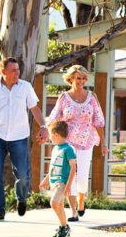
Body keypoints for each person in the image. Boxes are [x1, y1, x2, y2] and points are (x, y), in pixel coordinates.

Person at [0, 56, 48, 222]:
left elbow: (34, 109)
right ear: (3, 72)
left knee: (22, 174)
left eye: (18, 70)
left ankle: (21, 198)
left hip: (19, 136)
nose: (17, 73)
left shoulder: (25, 87)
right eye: (13, 70)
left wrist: (43, 127)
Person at [46, 65, 107, 221]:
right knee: (69, 176)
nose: (81, 81)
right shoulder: (64, 98)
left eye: (83, 78)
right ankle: (73, 211)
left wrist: (103, 143)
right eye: (78, 78)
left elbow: (99, 121)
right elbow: (54, 118)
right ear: (71, 78)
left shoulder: (92, 97)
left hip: (87, 141)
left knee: (82, 177)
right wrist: (50, 134)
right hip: (69, 141)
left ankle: (81, 200)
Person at [39, 121, 77, 237]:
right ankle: (63, 227)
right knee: (58, 204)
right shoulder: (55, 148)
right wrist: (46, 179)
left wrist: (68, 185)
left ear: (56, 135)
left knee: (54, 203)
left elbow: (73, 168)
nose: (49, 137)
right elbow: (53, 166)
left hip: (62, 182)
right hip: (53, 182)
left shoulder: (68, 149)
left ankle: (65, 227)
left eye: (50, 134)